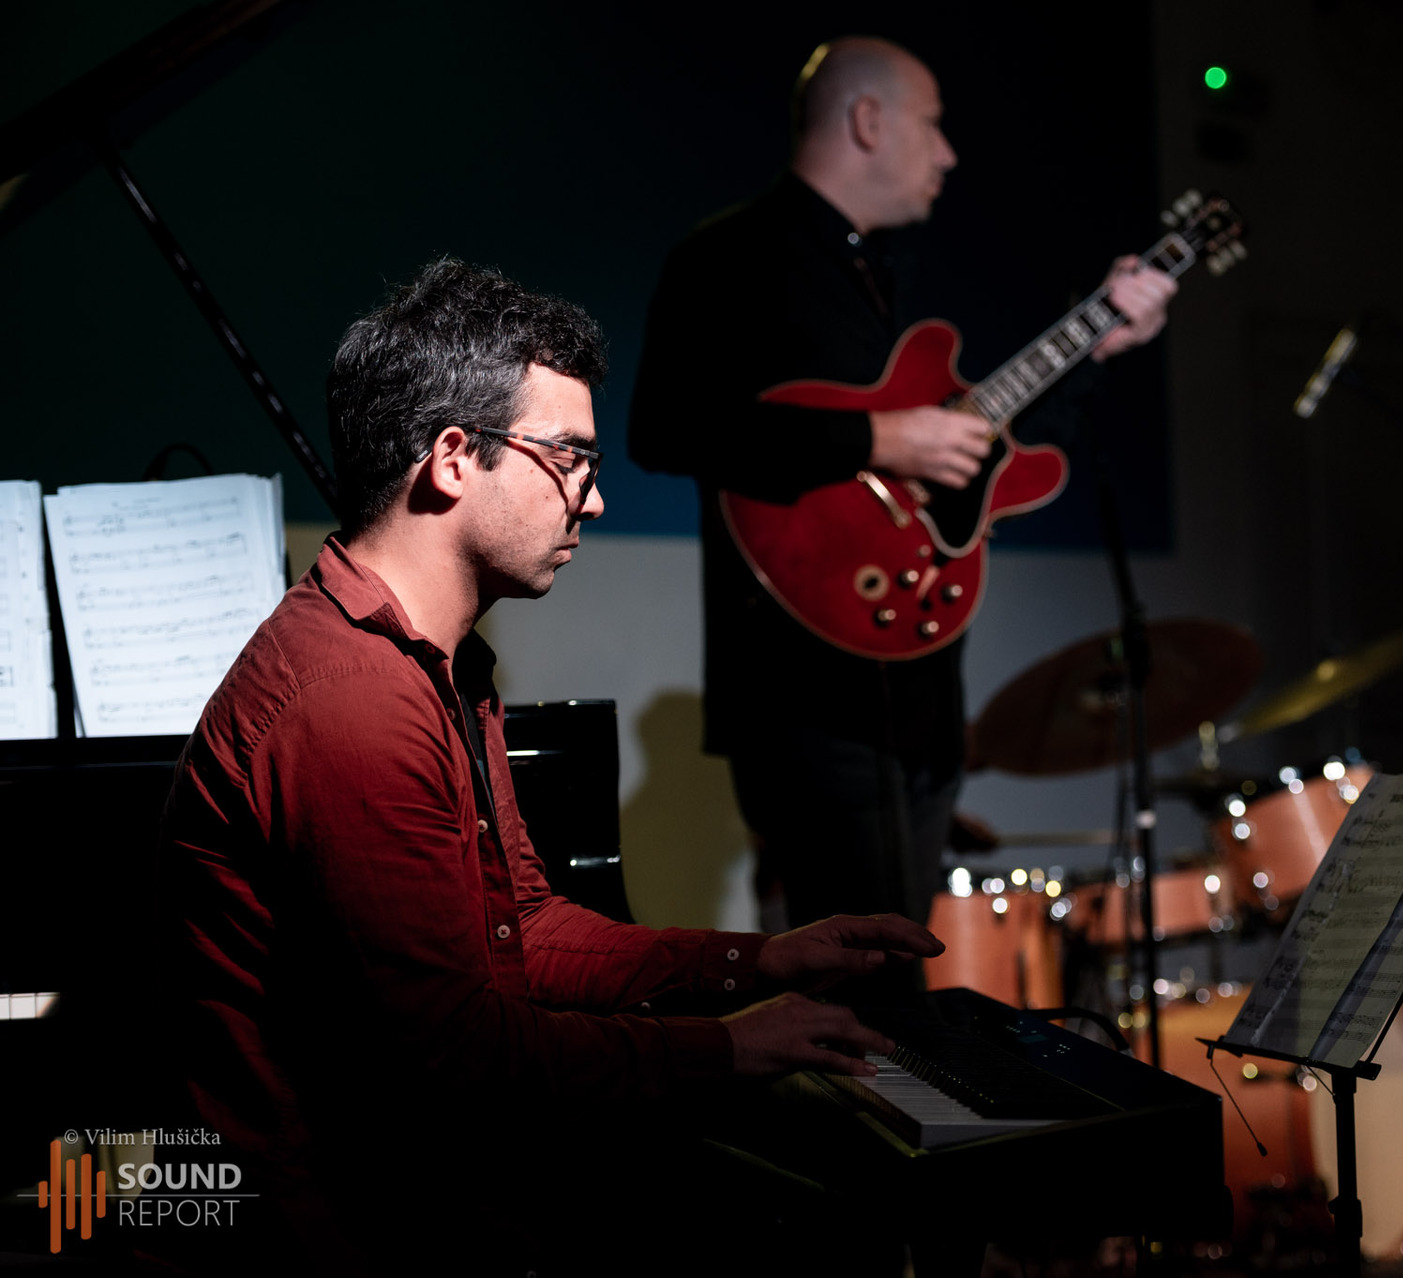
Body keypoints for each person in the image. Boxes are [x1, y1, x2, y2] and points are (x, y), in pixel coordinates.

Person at [159, 258, 942, 1276]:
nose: (597, 500)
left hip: (409, 1175)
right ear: (453, 459)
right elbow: (458, 1057)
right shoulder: (354, 700)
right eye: (570, 458)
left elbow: (520, 926)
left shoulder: (441, 661)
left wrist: (760, 963)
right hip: (327, 1231)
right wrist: (730, 1046)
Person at [630, 36, 1177, 934]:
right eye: (934, 125)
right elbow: (666, 427)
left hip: (921, 689)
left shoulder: (880, 275)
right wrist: (880, 437)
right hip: (806, 692)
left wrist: (1096, 345)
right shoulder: (729, 255)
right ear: (868, 121)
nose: (950, 154)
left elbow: (985, 453)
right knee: (865, 987)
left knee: (894, 976)